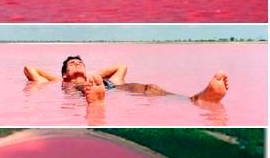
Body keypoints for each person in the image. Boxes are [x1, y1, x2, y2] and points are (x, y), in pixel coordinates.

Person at [23, 55, 229, 104]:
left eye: (80, 62)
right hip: (84, 91)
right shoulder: (60, 82)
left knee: (150, 87)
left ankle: (197, 99)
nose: (77, 64)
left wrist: (92, 75)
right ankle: (95, 98)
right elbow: (30, 68)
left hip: (114, 88)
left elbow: (121, 66)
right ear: (65, 73)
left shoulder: (94, 76)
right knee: (89, 91)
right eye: (73, 64)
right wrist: (64, 77)